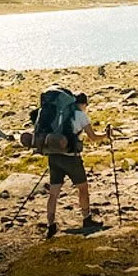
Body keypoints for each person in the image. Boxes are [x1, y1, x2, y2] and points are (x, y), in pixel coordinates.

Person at [45, 92, 99, 237]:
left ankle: (50, 225)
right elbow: (92, 137)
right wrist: (106, 136)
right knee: (83, 188)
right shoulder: (81, 115)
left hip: (54, 156)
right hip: (71, 158)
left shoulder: (59, 113)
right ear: (84, 104)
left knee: (54, 192)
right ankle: (86, 218)